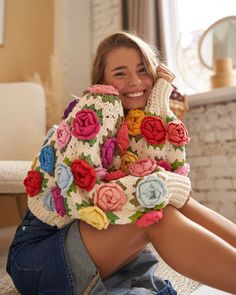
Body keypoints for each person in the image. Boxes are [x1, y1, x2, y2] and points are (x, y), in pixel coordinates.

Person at [6, 31, 236, 295]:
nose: (135, 81)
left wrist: (159, 103)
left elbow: (175, 184)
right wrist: (165, 186)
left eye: (143, 70)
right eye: (120, 73)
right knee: (154, 213)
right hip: (40, 256)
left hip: (96, 246)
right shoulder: (94, 111)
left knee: (164, 200)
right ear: (102, 81)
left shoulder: (134, 121)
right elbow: (83, 196)